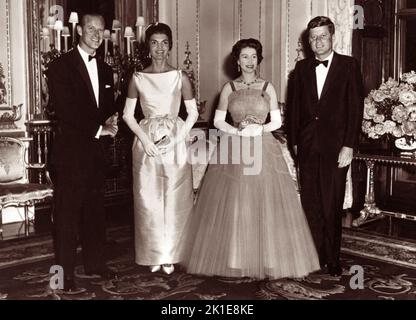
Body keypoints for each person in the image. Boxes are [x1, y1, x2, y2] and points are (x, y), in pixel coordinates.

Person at [181, 38, 320, 280]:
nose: (249, 61)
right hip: (234, 148)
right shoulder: (229, 88)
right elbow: (217, 121)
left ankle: (267, 258)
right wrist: (236, 131)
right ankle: (236, 257)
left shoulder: (268, 87)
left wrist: (260, 129)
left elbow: (278, 121)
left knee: (263, 201)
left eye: (253, 56)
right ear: (236, 61)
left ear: (259, 59)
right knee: (236, 202)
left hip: (263, 147)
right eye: (244, 57)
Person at [47, 13, 119, 293]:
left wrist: (111, 121)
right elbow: (65, 109)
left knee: (94, 211)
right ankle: (62, 275)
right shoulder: (59, 66)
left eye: (100, 30)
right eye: (90, 28)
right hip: (69, 153)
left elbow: (106, 106)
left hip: (95, 153)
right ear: (78, 30)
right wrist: (98, 128)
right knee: (67, 216)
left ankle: (95, 264)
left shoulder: (106, 69)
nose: (96, 34)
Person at [288, 16, 364, 277]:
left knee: (332, 203)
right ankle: (313, 256)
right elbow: (295, 109)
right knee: (310, 203)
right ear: (308, 41)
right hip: (307, 147)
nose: (317, 41)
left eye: (322, 36)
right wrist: (295, 142)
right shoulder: (300, 69)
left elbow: (356, 108)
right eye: (313, 37)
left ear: (333, 38)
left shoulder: (349, 66)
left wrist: (349, 145)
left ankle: (333, 259)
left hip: (337, 148)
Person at [122, 23, 199, 275]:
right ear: (148, 46)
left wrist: (176, 140)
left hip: (175, 142)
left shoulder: (180, 77)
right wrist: (145, 141)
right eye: (154, 42)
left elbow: (193, 113)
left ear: (171, 45)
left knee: (177, 199)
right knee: (148, 199)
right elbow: (127, 116)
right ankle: (154, 253)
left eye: (164, 42)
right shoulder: (137, 78)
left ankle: (173, 254)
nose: (159, 48)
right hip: (147, 144)